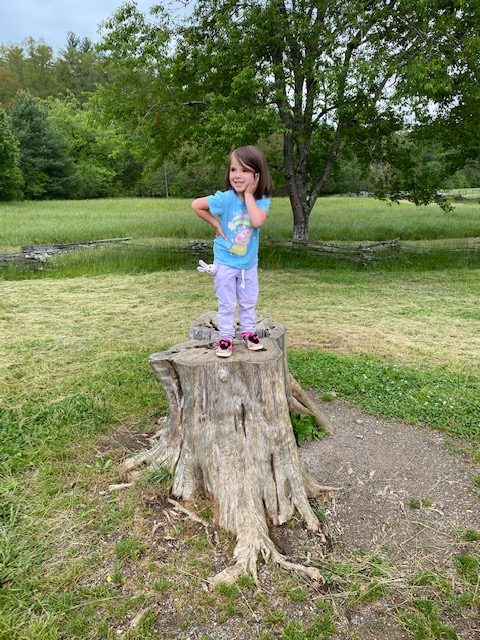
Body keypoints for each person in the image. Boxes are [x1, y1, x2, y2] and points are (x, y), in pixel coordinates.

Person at [192, 145, 273, 357]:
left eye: (245, 170)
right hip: (225, 261)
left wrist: (248, 194)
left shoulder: (261, 200)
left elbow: (256, 220)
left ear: (257, 175)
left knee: (248, 300)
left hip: (248, 264)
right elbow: (196, 205)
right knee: (227, 302)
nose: (237, 175)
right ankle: (226, 336)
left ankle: (248, 332)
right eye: (233, 170)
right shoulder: (225, 199)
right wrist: (216, 225)